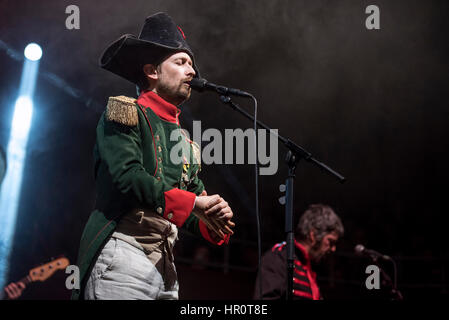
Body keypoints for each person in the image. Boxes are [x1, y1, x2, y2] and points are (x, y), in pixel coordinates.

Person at [72, 12, 235, 300]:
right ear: (152, 71)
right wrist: (195, 203)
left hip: (164, 267)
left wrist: (213, 221)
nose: (192, 71)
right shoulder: (124, 112)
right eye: (181, 62)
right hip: (123, 254)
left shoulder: (184, 141)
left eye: (191, 64)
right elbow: (127, 176)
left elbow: (191, 201)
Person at [254, 204, 344, 300]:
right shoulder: (279, 258)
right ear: (312, 235)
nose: (333, 248)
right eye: (330, 241)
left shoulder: (309, 267)